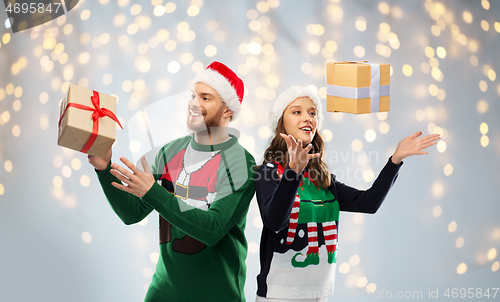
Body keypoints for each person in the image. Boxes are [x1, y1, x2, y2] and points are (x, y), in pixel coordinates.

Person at [88, 61, 256, 302]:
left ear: (228, 110)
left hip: (216, 296)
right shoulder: (170, 152)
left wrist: (153, 192)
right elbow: (131, 213)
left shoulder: (241, 163)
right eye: (193, 96)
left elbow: (212, 229)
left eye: (206, 98)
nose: (194, 104)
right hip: (162, 293)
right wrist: (104, 169)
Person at [254, 85, 441, 301]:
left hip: (319, 294)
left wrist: (395, 160)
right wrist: (293, 172)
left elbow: (369, 203)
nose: (308, 118)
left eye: (312, 112)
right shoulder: (268, 172)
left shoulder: (322, 178)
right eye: (297, 112)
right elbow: (275, 222)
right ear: (281, 124)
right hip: (278, 295)